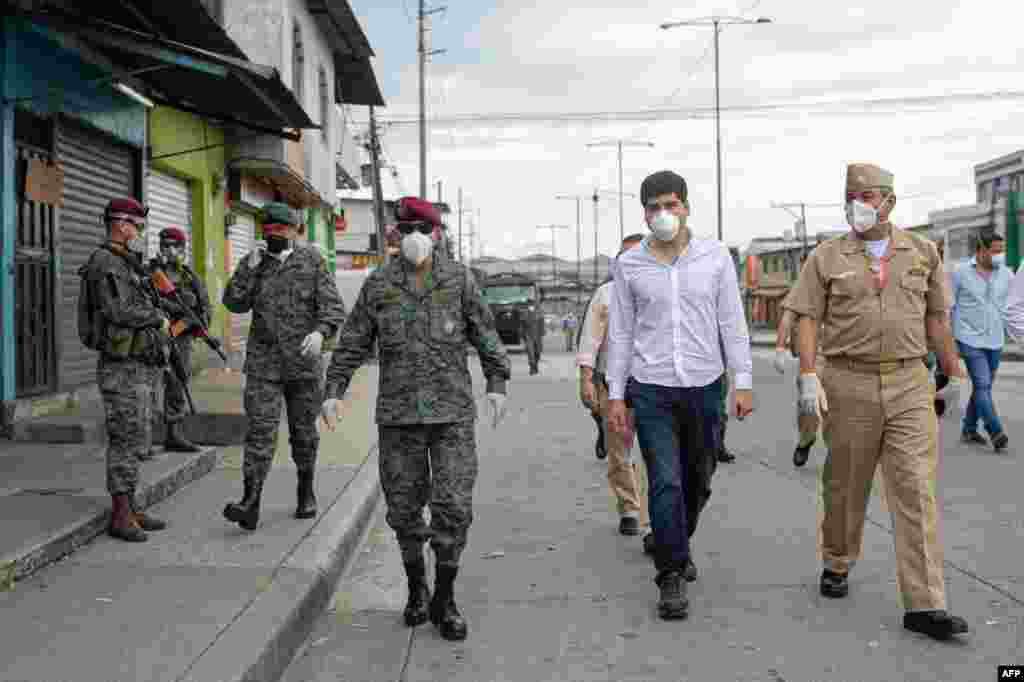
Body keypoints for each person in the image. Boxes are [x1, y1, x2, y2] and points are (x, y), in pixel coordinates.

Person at [784, 162, 969, 641]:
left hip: (910, 382)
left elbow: (938, 321)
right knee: (846, 485)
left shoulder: (923, 252)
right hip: (848, 380)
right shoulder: (827, 256)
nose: (858, 205)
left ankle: (925, 603)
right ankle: (838, 558)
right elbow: (806, 317)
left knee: (914, 489)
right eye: (852, 196)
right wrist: (809, 375)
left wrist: (956, 372)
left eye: (867, 196)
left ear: (889, 200)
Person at [320, 196, 510, 642]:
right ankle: (417, 589)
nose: (413, 240)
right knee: (404, 511)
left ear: (437, 233)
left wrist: (497, 384)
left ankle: (446, 598)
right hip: (399, 418)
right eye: (404, 232)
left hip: (452, 417)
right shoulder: (379, 285)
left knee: (453, 508)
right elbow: (352, 341)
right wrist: (333, 389)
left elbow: (486, 336)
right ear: (395, 238)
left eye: (420, 231)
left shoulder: (459, 281)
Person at [606, 170, 754, 620]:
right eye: (654, 207)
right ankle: (670, 572)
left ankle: (676, 538)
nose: (663, 215)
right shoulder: (629, 265)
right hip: (651, 388)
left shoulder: (714, 258)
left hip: (705, 386)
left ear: (686, 206)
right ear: (644, 213)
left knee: (699, 479)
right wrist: (616, 395)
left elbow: (731, 321)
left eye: (671, 205)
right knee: (665, 480)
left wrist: (742, 380)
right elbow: (622, 331)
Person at [221, 202, 345, 531]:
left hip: (304, 367)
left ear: (295, 231)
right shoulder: (255, 264)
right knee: (260, 433)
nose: (275, 234)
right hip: (264, 365)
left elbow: (333, 309)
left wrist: (321, 334)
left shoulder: (312, 261)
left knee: (303, 434)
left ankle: (305, 491)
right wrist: (249, 266)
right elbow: (233, 302)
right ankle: (250, 501)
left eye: (281, 229)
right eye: (269, 229)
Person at [82, 198, 170, 542]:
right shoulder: (106, 262)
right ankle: (120, 515)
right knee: (124, 438)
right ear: (120, 224)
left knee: (135, 436)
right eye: (135, 225)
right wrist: (156, 317)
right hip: (119, 367)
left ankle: (130, 506)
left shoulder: (124, 262)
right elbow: (118, 310)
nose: (139, 232)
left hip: (134, 364)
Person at [577, 233, 650, 542]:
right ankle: (630, 509)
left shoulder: (662, 293)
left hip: (654, 387)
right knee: (620, 452)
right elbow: (591, 339)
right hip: (614, 387)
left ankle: (652, 516)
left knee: (655, 453)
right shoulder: (605, 295)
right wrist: (586, 378)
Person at [148, 227, 210, 453]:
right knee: (149, 387)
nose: (170, 251)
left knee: (176, 385)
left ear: (183, 249)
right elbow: (142, 302)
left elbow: (205, 310)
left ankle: (174, 434)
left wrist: (190, 323)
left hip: (179, 341)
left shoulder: (190, 278)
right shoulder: (149, 274)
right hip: (152, 338)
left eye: (175, 246)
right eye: (165, 246)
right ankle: (143, 438)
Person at [950, 229, 1011, 451]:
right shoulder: (960, 273)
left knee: (982, 387)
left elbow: (1013, 306)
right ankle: (995, 431)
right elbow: (950, 305)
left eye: (1002, 251)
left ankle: (968, 428)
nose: (1000, 255)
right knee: (983, 384)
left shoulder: (1006, 274)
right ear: (981, 250)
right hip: (968, 337)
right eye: (996, 251)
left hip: (995, 338)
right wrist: (948, 340)